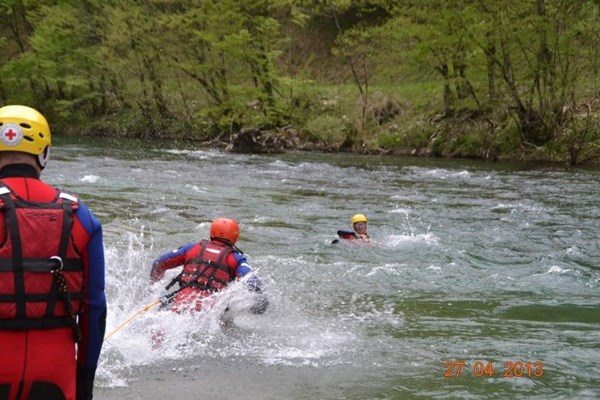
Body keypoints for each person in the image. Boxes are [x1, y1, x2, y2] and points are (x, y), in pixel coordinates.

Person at [0, 105, 106, 400]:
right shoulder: (80, 214)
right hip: (56, 372)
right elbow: (94, 308)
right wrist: (85, 382)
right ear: (43, 153)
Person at [150, 217, 268, 315]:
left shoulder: (192, 248)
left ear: (211, 233)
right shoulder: (235, 258)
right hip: (210, 308)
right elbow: (252, 281)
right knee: (226, 323)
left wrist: (153, 286)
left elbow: (159, 264)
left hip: (183, 301)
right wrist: (260, 303)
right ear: (234, 237)